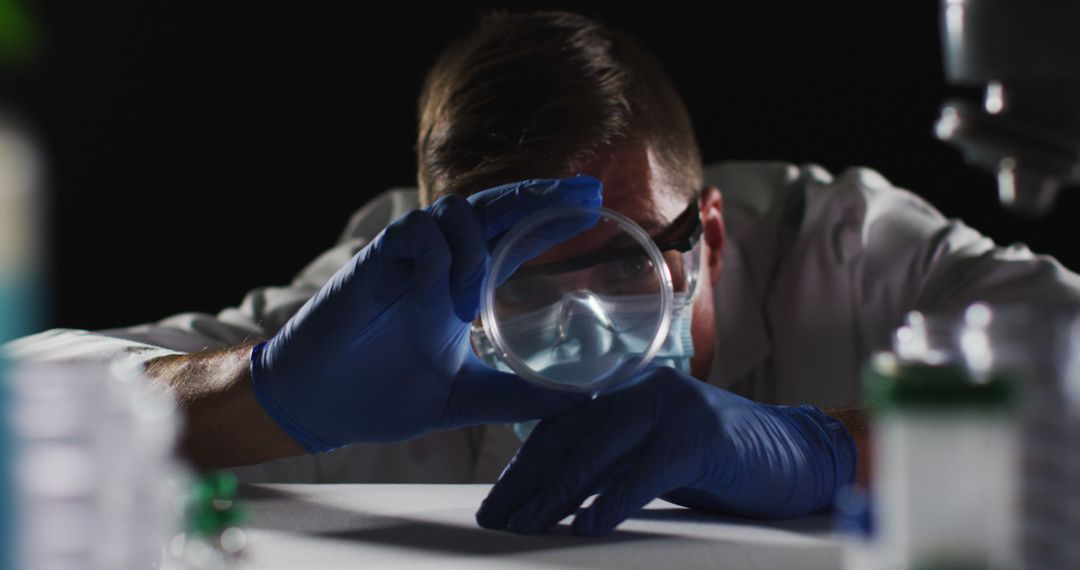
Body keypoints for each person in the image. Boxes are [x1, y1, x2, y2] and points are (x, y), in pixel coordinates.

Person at [6, 11, 1080, 536]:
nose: (585, 321)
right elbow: (23, 399)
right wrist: (267, 391)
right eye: (524, 276)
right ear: (446, 255)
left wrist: (831, 450)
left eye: (624, 260)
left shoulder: (847, 249)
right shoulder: (405, 314)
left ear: (706, 227)